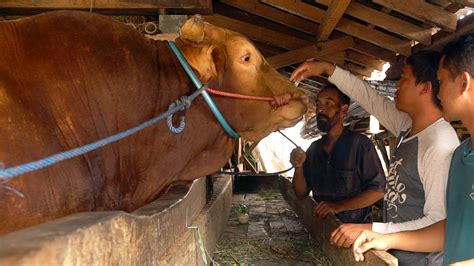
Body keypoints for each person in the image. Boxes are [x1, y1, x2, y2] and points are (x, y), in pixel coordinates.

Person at [290, 50, 460, 265]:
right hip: (398, 256)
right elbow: (370, 98)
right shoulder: (408, 129)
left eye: (404, 79)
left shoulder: (439, 143)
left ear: (425, 88)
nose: (397, 86)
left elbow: (440, 223)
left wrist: (373, 230)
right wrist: (328, 69)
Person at [352, 33, 474, 266]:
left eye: (442, 81)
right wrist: (384, 238)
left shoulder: (442, 145)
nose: (437, 92)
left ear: (464, 83)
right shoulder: (461, 155)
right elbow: (449, 229)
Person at [290, 84, 386, 224]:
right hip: (321, 229)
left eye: (328, 103)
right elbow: (300, 193)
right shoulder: (314, 149)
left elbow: (378, 190)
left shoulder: (360, 145)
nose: (320, 109)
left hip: (354, 234)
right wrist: (298, 166)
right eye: (318, 104)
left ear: (343, 109)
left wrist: (338, 206)